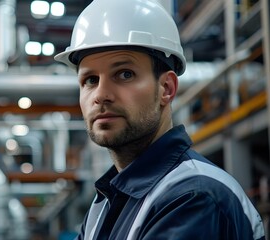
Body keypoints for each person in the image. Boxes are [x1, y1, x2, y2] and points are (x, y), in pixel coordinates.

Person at [54, 0, 266, 239]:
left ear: (166, 88)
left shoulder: (193, 197)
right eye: (90, 80)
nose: (101, 95)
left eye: (125, 74)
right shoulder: (104, 203)